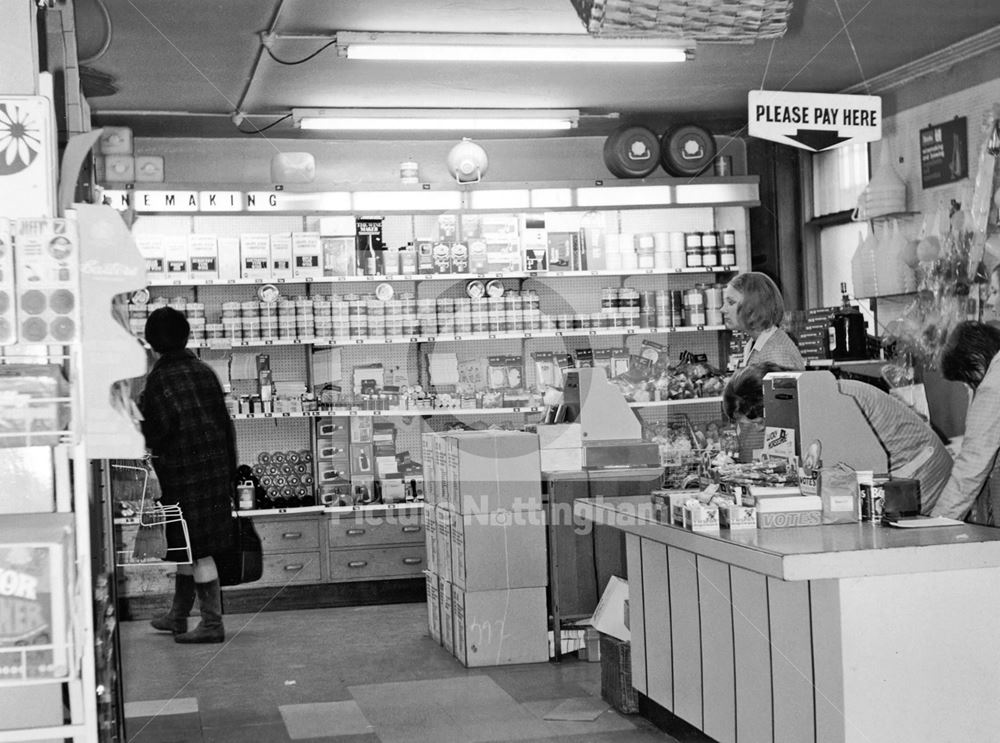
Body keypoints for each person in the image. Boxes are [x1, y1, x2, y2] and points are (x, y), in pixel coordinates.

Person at [723, 363, 953, 508]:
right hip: (898, 474)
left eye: (758, 422)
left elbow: (839, 468)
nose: (761, 429)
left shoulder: (827, 402)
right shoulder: (808, 397)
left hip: (921, 471)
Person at [140, 306, 236, 643]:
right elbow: (226, 427)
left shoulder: (159, 380)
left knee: (200, 551)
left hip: (183, 474)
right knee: (185, 546)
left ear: (151, 344)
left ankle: (212, 624)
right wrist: (230, 478)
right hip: (213, 472)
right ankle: (178, 615)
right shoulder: (204, 371)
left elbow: (157, 432)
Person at [930, 321, 1000, 524]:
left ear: (976, 358)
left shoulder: (994, 382)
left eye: (967, 378)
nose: (970, 385)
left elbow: (972, 465)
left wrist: (937, 524)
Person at [721, 272, 805, 370]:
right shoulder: (756, 343)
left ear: (753, 306)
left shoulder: (776, 352)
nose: (722, 309)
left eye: (731, 302)